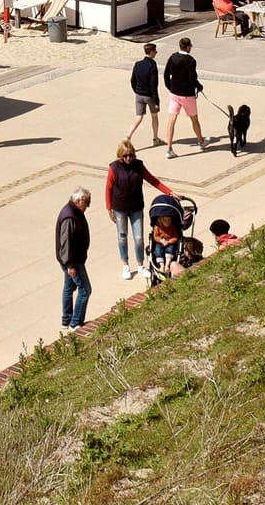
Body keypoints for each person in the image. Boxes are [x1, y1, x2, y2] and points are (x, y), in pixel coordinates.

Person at [105, 141, 172, 281]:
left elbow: (153, 180)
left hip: (136, 207)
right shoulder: (114, 168)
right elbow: (108, 189)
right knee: (122, 237)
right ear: (120, 156)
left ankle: (140, 265)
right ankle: (125, 265)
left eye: (130, 155)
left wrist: (169, 193)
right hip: (120, 208)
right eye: (125, 156)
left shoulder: (138, 166)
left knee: (139, 238)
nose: (128, 158)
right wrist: (109, 208)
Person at [162, 37, 207, 157]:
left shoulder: (172, 57)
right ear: (187, 47)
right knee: (194, 119)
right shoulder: (190, 61)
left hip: (174, 93)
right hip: (187, 94)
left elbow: (166, 74)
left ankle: (169, 148)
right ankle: (201, 141)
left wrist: (169, 87)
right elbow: (192, 78)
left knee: (171, 120)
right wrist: (199, 86)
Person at [56, 187, 92, 333]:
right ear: (78, 201)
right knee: (85, 290)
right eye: (87, 203)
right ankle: (75, 322)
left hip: (72, 260)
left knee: (69, 287)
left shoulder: (74, 211)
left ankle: (67, 319)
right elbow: (66, 243)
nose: (88, 207)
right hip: (72, 261)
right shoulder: (70, 217)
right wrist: (70, 265)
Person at [124, 42, 164, 150]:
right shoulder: (152, 65)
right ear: (151, 52)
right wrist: (157, 102)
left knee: (138, 118)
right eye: (155, 51)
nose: (156, 52)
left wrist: (136, 90)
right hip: (149, 96)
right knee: (154, 116)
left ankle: (128, 137)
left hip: (139, 94)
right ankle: (155, 138)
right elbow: (154, 85)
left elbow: (133, 80)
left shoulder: (137, 64)